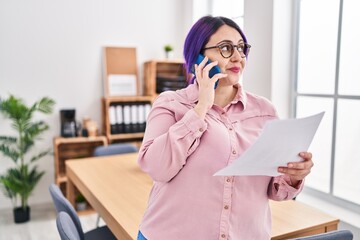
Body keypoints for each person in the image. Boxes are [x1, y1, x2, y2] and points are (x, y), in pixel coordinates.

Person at [136, 15, 314, 240]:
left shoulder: (265, 111)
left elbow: (275, 190)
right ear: (198, 56)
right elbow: (157, 167)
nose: (238, 56)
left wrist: (293, 176)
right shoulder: (171, 103)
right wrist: (201, 107)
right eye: (226, 48)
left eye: (241, 48)